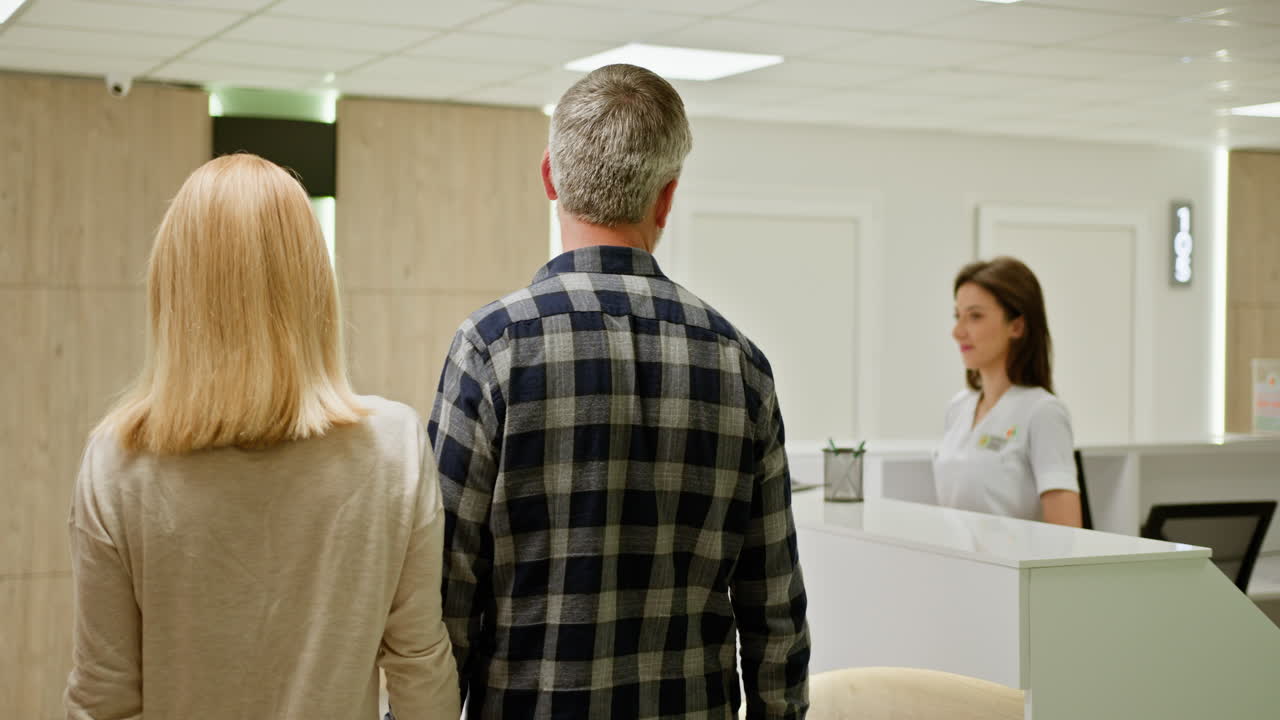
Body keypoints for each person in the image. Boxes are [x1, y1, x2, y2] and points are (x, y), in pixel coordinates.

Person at [429, 64, 810, 720]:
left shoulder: (491, 349)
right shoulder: (741, 365)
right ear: (667, 197)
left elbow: (444, 598)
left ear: (550, 176)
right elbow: (774, 615)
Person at [64, 154, 459, 719]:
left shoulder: (117, 463)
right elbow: (420, 666)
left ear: (172, 286)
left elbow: (103, 700)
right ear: (314, 284)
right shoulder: (393, 448)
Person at [933, 256, 1083, 527]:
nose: (958, 331)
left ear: (1017, 326)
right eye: (958, 316)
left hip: (1014, 568)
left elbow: (1066, 533)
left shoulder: (1042, 412)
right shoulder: (958, 408)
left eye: (975, 316)